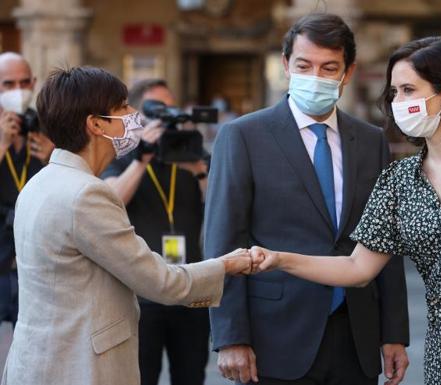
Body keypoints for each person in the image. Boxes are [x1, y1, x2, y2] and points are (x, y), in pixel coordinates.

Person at [252, 37, 441, 385]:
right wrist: (280, 259)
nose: (398, 102)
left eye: (408, 90)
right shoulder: (399, 180)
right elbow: (357, 268)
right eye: (394, 92)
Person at [1, 66, 254, 385]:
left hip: (39, 363)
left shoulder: (41, 183)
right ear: (95, 124)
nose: (134, 115)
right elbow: (161, 281)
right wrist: (228, 265)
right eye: (122, 107)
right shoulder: (86, 193)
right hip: (78, 369)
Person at [205, 13, 410, 385]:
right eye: (304, 65)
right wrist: (231, 337)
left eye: (329, 67)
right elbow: (223, 241)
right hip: (274, 337)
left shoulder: (370, 141)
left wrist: (393, 333)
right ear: (286, 65)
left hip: (355, 334)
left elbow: (387, 243)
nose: (315, 76)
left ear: (348, 73)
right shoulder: (243, 136)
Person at [101, 78, 211, 385]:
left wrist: (200, 171)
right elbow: (111, 201)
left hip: (190, 291)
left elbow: (221, 209)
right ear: (137, 117)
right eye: (157, 111)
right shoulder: (121, 158)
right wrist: (142, 159)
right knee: (140, 377)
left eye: (170, 109)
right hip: (140, 296)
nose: (166, 119)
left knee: (190, 377)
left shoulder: (191, 152)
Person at [0, 52, 54, 329]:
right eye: (8, 84)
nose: (17, 91)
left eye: (23, 82)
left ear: (33, 83)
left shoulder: (46, 126)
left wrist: (52, 157)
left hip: (37, 262)